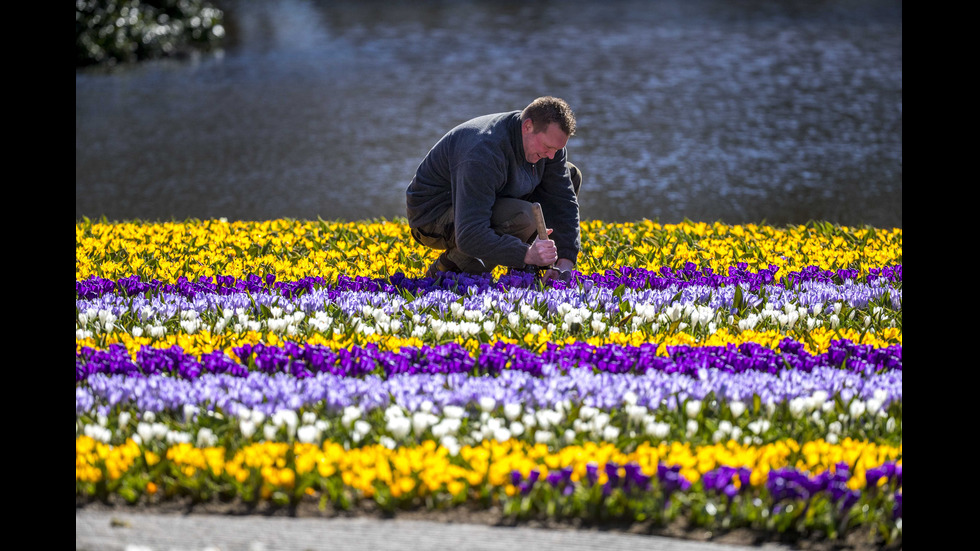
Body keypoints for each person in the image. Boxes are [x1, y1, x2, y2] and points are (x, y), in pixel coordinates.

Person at [406, 96, 582, 281]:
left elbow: (563, 201)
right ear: (527, 126)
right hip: (433, 216)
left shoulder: (550, 147)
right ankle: (445, 271)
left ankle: (533, 271)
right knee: (524, 217)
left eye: (557, 149)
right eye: (547, 147)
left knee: (570, 176)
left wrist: (565, 262)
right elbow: (470, 234)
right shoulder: (483, 152)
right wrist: (526, 254)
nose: (551, 155)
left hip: (486, 198)